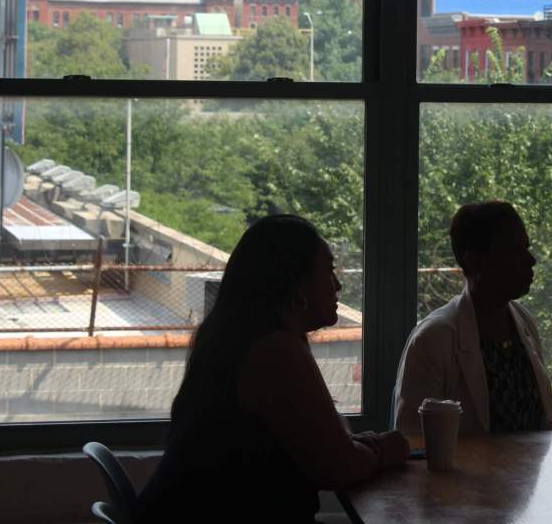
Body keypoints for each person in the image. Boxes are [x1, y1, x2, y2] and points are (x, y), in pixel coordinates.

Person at [137, 214, 407, 522]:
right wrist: (387, 450)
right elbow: (338, 467)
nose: (338, 284)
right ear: (296, 288)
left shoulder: (232, 334)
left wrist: (361, 446)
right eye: (329, 271)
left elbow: (332, 435)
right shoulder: (275, 351)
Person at [393, 201, 552, 436]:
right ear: (474, 261)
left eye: (527, 248)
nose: (530, 260)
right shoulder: (435, 338)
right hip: (476, 476)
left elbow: (530, 419)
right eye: (515, 251)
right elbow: (414, 440)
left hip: (523, 474)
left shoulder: (522, 321)